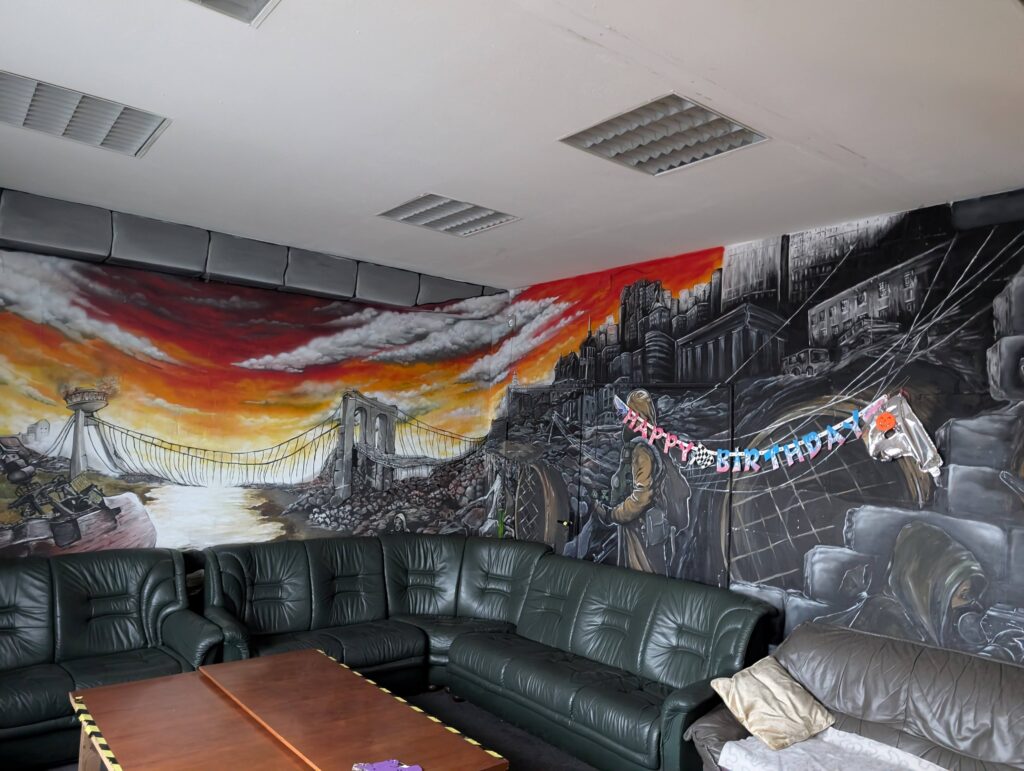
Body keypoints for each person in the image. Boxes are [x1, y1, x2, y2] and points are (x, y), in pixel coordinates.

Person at [592, 389, 691, 575]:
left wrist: (613, 515)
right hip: (647, 532)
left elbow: (642, 496)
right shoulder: (655, 444)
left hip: (640, 533)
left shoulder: (641, 450)